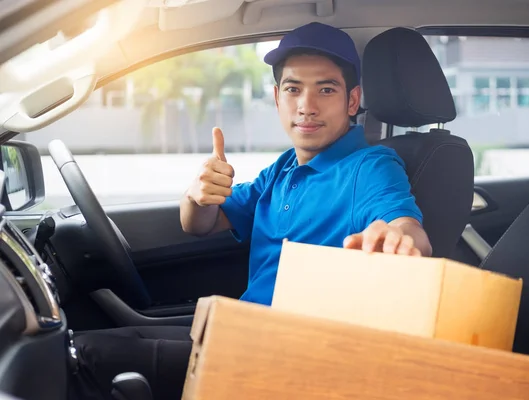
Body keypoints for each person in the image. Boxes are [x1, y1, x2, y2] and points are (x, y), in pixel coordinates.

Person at [70, 22, 431, 400]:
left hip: (291, 356)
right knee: (82, 342)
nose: (306, 106)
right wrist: (198, 195)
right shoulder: (283, 169)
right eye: (293, 89)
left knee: (83, 358)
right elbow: (200, 224)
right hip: (242, 332)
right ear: (277, 98)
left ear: (352, 101)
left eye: (326, 89)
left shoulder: (371, 165)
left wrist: (400, 237)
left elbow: (405, 226)